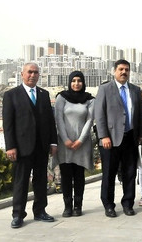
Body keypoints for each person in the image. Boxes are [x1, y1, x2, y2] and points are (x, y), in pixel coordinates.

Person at [3, 63, 58, 228]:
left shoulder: (44, 94)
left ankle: (40, 211)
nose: (33, 75)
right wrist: (10, 146)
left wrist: (53, 142)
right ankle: (18, 215)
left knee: (41, 181)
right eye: (30, 72)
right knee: (21, 182)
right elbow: (8, 124)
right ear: (22, 74)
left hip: (41, 147)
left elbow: (50, 121)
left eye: (36, 72)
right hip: (22, 147)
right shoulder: (11, 95)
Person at [94, 59, 142, 218]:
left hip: (130, 137)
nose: (124, 72)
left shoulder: (135, 90)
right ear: (114, 71)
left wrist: (140, 135)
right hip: (110, 139)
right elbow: (99, 114)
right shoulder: (104, 89)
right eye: (121, 69)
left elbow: (140, 115)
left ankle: (128, 203)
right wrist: (103, 136)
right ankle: (108, 205)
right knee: (109, 173)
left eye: (127, 70)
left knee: (130, 172)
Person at [54, 71, 94, 218]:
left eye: (79, 81)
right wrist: (65, 139)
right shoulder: (61, 97)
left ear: (83, 82)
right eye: (73, 81)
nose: (76, 84)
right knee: (65, 175)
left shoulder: (89, 99)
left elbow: (89, 121)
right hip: (64, 143)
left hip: (81, 144)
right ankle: (67, 206)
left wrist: (80, 141)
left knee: (79, 176)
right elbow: (58, 119)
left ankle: (78, 206)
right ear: (69, 82)